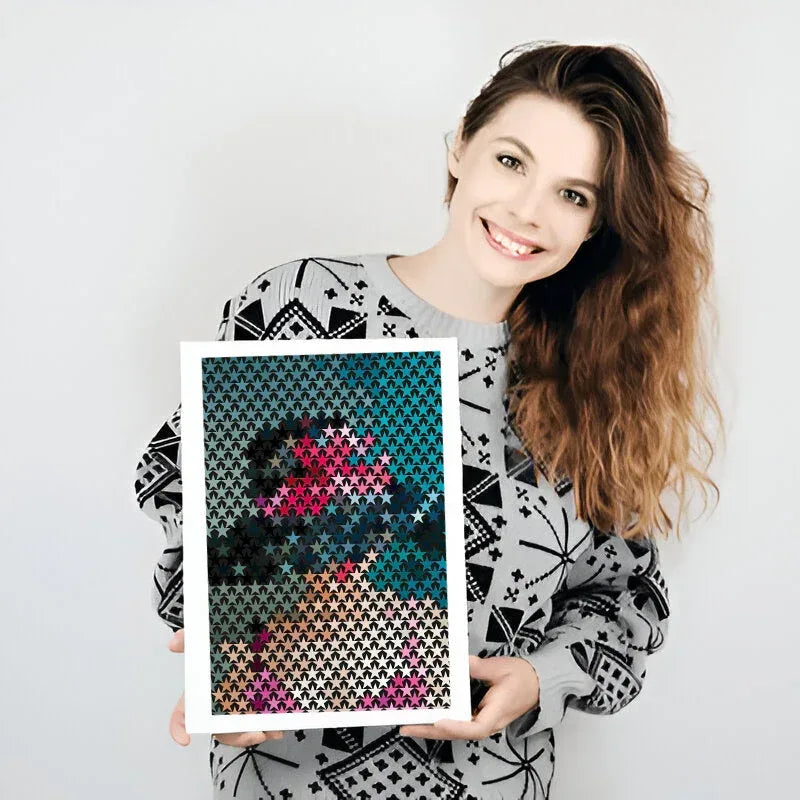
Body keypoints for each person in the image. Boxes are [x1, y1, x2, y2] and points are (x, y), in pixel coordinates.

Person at [134, 41, 722, 799]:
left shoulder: (592, 384)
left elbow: (626, 602)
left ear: (595, 227)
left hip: (489, 782)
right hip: (286, 780)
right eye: (512, 162)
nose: (526, 211)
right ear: (459, 149)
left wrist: (537, 678)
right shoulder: (305, 307)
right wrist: (222, 652)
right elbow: (181, 492)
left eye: (573, 196)